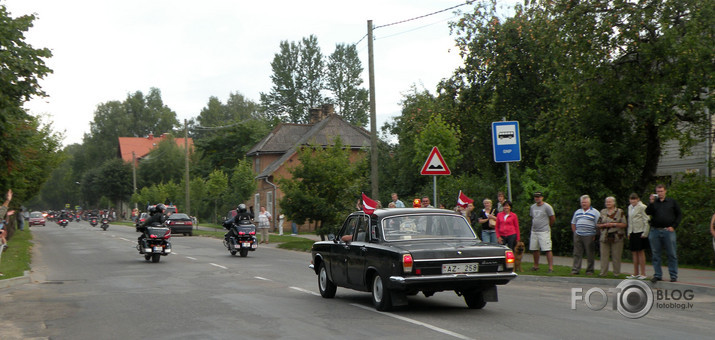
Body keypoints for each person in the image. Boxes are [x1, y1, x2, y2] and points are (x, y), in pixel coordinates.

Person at [646, 184, 682, 283]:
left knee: (672, 254)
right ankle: (657, 275)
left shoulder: (671, 202)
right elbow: (648, 212)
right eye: (658, 191)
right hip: (655, 230)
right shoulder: (655, 203)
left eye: (661, 191)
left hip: (668, 231)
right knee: (656, 254)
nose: (660, 193)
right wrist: (651, 202)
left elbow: (679, 214)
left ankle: (673, 275)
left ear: (665, 191)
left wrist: (674, 226)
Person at [596, 197, 627, 276]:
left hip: (617, 236)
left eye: (609, 202)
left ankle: (616, 273)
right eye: (606, 202)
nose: (608, 203)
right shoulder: (602, 212)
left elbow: (624, 224)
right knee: (604, 255)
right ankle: (603, 273)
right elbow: (598, 224)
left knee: (616, 256)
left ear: (614, 203)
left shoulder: (620, 212)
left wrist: (613, 224)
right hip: (604, 236)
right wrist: (604, 225)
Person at [570, 195, 599, 275]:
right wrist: (575, 232)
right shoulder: (577, 212)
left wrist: (595, 234)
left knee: (590, 253)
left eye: (585, 202)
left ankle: (590, 270)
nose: (584, 204)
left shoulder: (595, 212)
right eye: (582, 202)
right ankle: (575, 269)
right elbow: (573, 223)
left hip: (589, 235)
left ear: (589, 203)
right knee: (577, 253)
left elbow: (598, 224)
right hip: (578, 234)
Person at [529, 192, 555, 273]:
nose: (537, 198)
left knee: (547, 249)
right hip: (534, 230)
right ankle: (536, 265)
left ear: (542, 197)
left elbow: (552, 218)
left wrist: (548, 226)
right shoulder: (532, 207)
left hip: (544, 230)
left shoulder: (547, 207)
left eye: (539, 197)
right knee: (535, 249)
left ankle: (550, 267)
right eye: (536, 197)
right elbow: (532, 217)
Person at [627, 193, 650, 280]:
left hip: (640, 231)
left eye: (634, 199)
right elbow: (630, 221)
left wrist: (645, 232)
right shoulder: (630, 207)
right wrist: (629, 232)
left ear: (638, 199)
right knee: (634, 252)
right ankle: (635, 273)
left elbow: (646, 220)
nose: (633, 201)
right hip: (632, 231)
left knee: (640, 252)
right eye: (631, 199)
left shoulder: (642, 207)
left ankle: (643, 273)